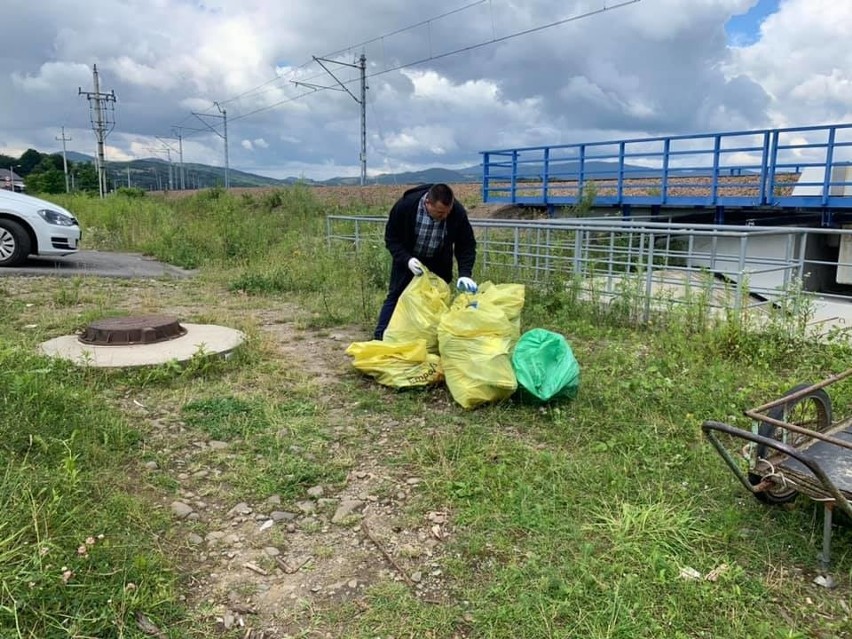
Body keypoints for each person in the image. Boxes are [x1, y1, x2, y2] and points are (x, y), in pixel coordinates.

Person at [374, 183, 477, 340]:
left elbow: (466, 244)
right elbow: (391, 238)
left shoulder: (456, 212)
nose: (444, 217)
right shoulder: (406, 207)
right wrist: (407, 260)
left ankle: (429, 341)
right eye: (440, 212)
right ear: (427, 203)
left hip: (438, 261)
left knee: (436, 302)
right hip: (409, 259)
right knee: (396, 296)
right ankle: (381, 337)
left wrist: (465, 273)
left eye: (447, 213)